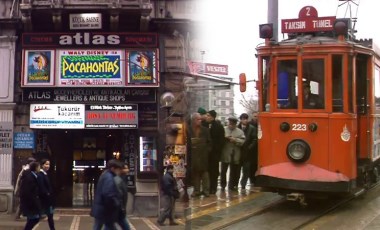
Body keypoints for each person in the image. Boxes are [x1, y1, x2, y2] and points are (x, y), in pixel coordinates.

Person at [91, 159, 124, 230]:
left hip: (102, 208)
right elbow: (108, 194)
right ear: (113, 168)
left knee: (101, 226)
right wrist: (116, 202)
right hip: (105, 209)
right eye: (118, 169)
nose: (119, 171)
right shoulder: (109, 178)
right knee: (106, 226)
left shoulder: (105, 175)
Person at [189, 112, 211, 197]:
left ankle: (206, 191)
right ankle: (196, 190)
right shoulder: (189, 129)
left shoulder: (205, 130)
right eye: (198, 119)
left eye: (200, 119)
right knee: (195, 173)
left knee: (205, 173)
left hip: (203, 154)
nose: (200, 121)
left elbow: (210, 142)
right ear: (194, 120)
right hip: (193, 154)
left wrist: (207, 150)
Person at [220, 117, 245, 191]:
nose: (231, 125)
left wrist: (235, 140)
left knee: (233, 171)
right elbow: (219, 140)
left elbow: (243, 141)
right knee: (223, 171)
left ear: (235, 124)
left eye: (232, 124)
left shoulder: (240, 132)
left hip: (235, 154)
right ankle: (223, 185)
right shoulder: (223, 130)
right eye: (230, 123)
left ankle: (232, 185)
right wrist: (225, 138)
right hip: (225, 153)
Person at [206, 110, 225, 194]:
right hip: (206, 153)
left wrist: (216, 150)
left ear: (213, 117)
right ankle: (207, 187)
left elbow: (221, 140)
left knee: (214, 171)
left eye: (208, 116)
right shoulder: (204, 125)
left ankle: (213, 187)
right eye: (206, 115)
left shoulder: (218, 126)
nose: (207, 117)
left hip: (215, 153)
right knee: (207, 170)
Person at [238, 113, 258, 190]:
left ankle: (243, 184)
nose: (245, 120)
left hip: (248, 152)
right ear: (241, 119)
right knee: (237, 170)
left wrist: (249, 147)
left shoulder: (252, 128)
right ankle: (235, 184)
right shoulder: (238, 128)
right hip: (239, 151)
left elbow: (254, 139)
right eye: (243, 119)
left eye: (246, 119)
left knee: (246, 170)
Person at [20, 161, 42, 230]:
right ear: (35, 168)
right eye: (39, 167)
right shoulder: (29, 177)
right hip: (30, 203)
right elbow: (27, 192)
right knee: (34, 219)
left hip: (33, 202)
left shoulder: (34, 176)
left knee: (34, 219)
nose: (39, 168)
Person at [37, 159, 55, 230]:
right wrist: (47, 194)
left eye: (49, 164)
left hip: (48, 200)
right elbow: (41, 187)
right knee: (37, 218)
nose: (48, 166)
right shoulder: (40, 175)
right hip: (44, 200)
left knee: (50, 216)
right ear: (42, 165)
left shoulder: (45, 174)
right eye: (46, 164)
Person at [114, 165, 131, 230]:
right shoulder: (118, 179)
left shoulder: (122, 178)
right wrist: (121, 207)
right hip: (118, 207)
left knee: (110, 225)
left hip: (118, 207)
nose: (128, 170)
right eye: (126, 168)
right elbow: (119, 194)